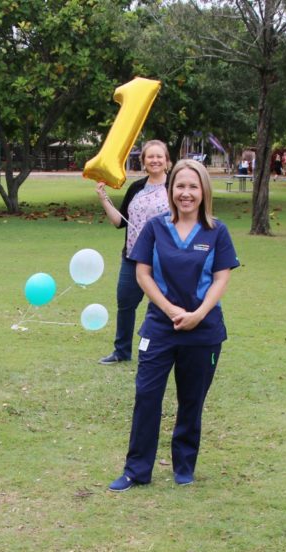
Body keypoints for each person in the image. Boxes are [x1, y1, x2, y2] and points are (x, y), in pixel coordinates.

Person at [108, 159, 239, 492]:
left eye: (193, 187)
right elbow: (142, 274)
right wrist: (169, 310)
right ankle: (136, 470)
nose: (186, 193)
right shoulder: (155, 227)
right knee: (146, 395)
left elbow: (221, 278)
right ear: (170, 190)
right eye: (180, 186)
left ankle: (184, 466)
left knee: (192, 399)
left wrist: (198, 314)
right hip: (160, 327)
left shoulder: (216, 231)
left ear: (204, 191)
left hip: (204, 330)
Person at [95, 139, 171, 364]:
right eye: (150, 157)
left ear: (167, 161)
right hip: (133, 257)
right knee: (125, 304)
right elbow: (120, 222)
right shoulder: (136, 188)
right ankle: (122, 351)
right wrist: (103, 198)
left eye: (159, 156)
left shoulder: (175, 187)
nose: (155, 160)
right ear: (144, 161)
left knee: (162, 305)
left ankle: (163, 350)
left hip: (164, 259)